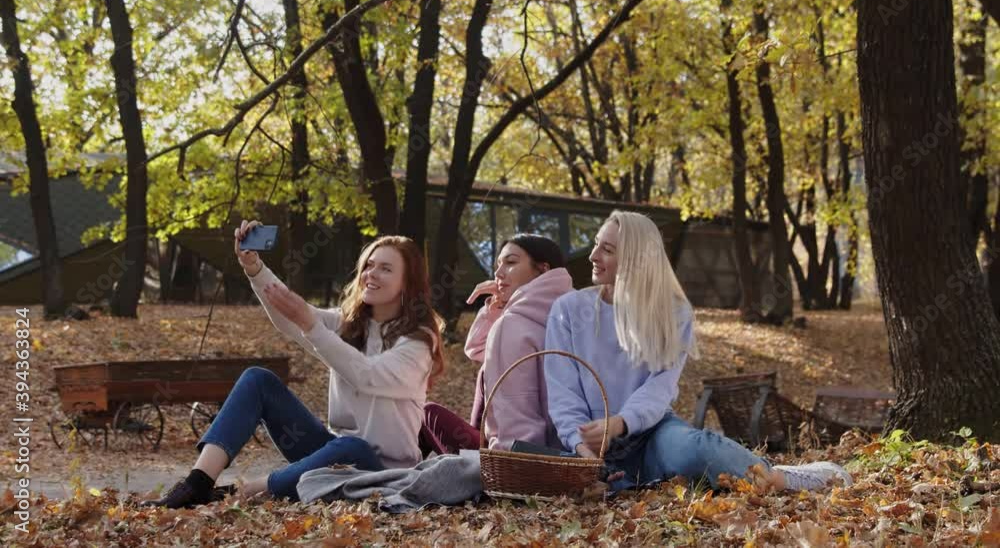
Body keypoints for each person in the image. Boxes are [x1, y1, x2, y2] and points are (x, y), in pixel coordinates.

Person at [544, 210, 853, 492]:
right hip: (587, 447)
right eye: (596, 244)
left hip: (652, 433)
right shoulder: (568, 311)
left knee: (695, 449)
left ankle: (780, 477)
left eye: (607, 250)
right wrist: (583, 452)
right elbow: (562, 392)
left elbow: (660, 387)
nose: (593, 256)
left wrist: (620, 422)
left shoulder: (673, 313)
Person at [144, 220, 444, 508]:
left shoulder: (418, 342)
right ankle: (197, 484)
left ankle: (244, 491)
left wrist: (311, 325)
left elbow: (368, 376)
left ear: (408, 283)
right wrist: (255, 268)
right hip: (332, 456)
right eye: (369, 265)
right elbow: (292, 316)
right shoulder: (349, 325)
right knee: (258, 380)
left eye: (386, 268)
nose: (371, 274)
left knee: (353, 448)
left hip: (382, 471)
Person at [422, 234, 573, 454]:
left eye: (510, 262)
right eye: (498, 265)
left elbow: (514, 420)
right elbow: (479, 349)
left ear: (543, 269)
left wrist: (511, 467)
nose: (498, 273)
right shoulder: (574, 315)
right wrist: (495, 309)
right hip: (572, 452)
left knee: (427, 414)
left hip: (516, 459)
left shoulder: (513, 325)